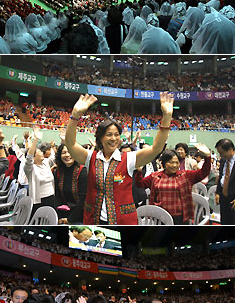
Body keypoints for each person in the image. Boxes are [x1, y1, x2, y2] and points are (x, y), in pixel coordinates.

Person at [65, 92, 174, 226]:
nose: (113, 138)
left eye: (117, 135)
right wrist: (75, 115)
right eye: (109, 134)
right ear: (100, 138)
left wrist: (167, 117)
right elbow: (70, 144)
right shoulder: (90, 158)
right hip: (93, 220)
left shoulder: (128, 159)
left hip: (123, 222)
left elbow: (156, 149)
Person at [136, 146, 211, 225]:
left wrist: (207, 157)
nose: (175, 165)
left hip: (180, 218)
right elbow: (140, 185)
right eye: (171, 162)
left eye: (177, 162)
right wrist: (138, 172)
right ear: (164, 163)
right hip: (160, 217)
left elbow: (204, 172)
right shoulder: (155, 176)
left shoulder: (186, 175)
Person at [54, 143, 87, 222]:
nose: (67, 155)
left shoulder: (82, 171)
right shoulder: (58, 172)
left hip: (79, 216)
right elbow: (57, 196)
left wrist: (70, 219)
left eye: (70, 152)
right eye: (64, 153)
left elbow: (83, 199)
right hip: (63, 214)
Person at [215, 139, 235, 225]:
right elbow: (221, 177)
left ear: (230, 149)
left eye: (222, 153)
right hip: (224, 197)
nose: (220, 155)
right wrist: (218, 192)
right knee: (225, 223)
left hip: (233, 199)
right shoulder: (223, 160)